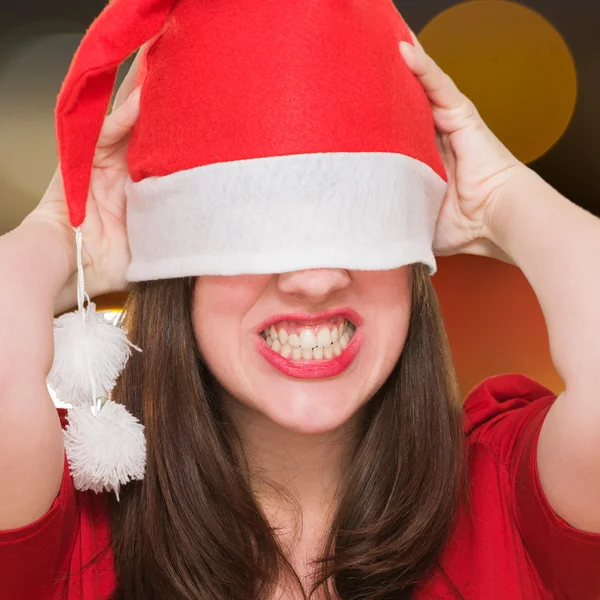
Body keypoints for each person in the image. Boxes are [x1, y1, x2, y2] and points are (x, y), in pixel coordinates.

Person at [1, 1, 600, 598]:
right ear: (178, 264)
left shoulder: (506, 500)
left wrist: (501, 196)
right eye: (254, 228)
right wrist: (60, 232)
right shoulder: (71, 532)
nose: (314, 280)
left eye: (359, 218)